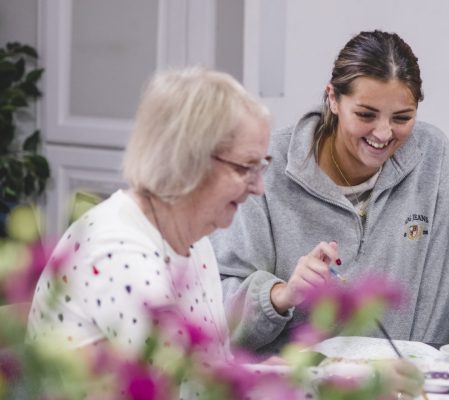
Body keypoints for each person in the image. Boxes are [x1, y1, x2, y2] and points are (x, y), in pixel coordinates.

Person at [210, 30, 449, 355]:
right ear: (332, 97)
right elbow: (216, 314)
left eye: (402, 117)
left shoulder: (435, 158)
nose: (383, 133)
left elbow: (437, 305)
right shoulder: (266, 167)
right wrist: (281, 294)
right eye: (365, 115)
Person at [27, 67, 271, 361]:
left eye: (261, 165)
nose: (259, 187)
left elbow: (207, 374)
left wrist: (260, 375)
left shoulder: (195, 243)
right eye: (246, 167)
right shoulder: (118, 253)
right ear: (186, 160)